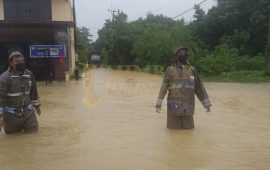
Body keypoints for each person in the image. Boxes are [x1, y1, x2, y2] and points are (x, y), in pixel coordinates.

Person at [155, 46, 212, 129]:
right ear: (176, 56)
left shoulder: (192, 71)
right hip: (173, 110)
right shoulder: (170, 70)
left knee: (189, 133)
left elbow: (199, 88)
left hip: (188, 109)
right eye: (181, 53)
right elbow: (163, 87)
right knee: (173, 134)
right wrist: (158, 104)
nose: (184, 54)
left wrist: (206, 104)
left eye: (185, 52)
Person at [0, 51, 41, 134]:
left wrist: (37, 106)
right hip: (11, 115)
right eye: (17, 62)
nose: (21, 63)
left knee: (33, 134)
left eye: (22, 61)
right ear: (11, 63)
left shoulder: (29, 74)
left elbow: (33, 92)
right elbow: (1, 98)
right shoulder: (4, 78)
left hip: (28, 112)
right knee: (13, 138)